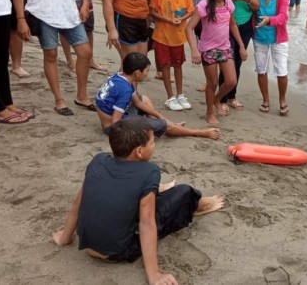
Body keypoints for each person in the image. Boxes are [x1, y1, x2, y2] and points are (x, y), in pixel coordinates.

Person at [51, 117, 225, 285]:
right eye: (152, 142)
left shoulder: (98, 160)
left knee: (138, 193)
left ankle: (159, 191)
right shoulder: (149, 171)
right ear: (139, 151)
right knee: (184, 192)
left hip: (88, 244)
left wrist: (66, 238)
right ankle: (199, 205)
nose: (154, 145)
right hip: (118, 251)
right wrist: (154, 275)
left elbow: (78, 202)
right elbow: (147, 224)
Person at [95, 52, 220, 139]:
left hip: (113, 115)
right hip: (112, 126)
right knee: (163, 126)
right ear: (137, 73)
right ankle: (197, 132)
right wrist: (145, 127)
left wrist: (161, 117)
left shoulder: (121, 76)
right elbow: (116, 123)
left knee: (144, 99)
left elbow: (138, 102)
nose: (148, 74)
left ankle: (167, 125)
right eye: (147, 70)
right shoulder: (124, 90)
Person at [186, 0, 247, 126]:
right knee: (212, 83)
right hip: (208, 49)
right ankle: (209, 113)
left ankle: (216, 99)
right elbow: (189, 28)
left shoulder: (228, 3)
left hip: (225, 47)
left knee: (231, 81)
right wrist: (194, 49)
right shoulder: (203, 6)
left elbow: (232, 25)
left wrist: (241, 46)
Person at [149, 0, 193, 111]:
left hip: (178, 36)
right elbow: (153, 11)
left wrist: (181, 19)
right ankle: (170, 96)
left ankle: (180, 94)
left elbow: (190, 10)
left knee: (178, 65)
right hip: (162, 35)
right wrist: (168, 20)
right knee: (165, 66)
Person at [219, 0, 259, 112]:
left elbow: (257, 6)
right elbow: (215, 0)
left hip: (245, 25)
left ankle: (232, 96)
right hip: (225, 24)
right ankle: (221, 98)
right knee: (226, 60)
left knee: (237, 61)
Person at [254, 0, 289, 115]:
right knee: (261, 70)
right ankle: (266, 99)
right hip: (260, 37)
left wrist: (269, 20)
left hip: (278, 38)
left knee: (281, 70)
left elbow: (283, 17)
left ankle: (282, 100)